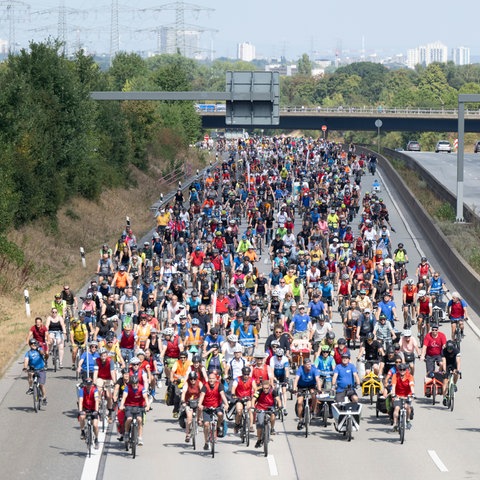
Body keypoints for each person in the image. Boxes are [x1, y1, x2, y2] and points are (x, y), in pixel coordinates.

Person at [198, 372, 230, 451]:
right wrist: (199, 404)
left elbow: (222, 395)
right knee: (206, 424)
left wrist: (226, 404)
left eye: (213, 378)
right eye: (210, 378)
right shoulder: (205, 386)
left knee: (220, 414)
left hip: (217, 406)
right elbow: (202, 395)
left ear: (216, 379)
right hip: (207, 407)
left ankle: (218, 427)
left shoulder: (219, 385)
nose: (211, 380)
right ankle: (206, 442)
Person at [119, 374, 149, 446]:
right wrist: (122, 405)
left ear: (138, 383)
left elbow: (145, 397)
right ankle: (126, 433)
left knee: (139, 420)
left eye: (136, 384)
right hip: (129, 406)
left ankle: (140, 438)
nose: (134, 385)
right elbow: (124, 397)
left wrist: (148, 406)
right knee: (129, 419)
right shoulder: (127, 388)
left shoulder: (142, 388)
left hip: (139, 406)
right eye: (133, 384)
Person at [292, 358, 322, 430]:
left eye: (310, 364)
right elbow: (296, 379)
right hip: (301, 386)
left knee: (314, 395)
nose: (309, 366)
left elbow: (318, 380)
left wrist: (319, 389)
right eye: (307, 364)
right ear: (304, 365)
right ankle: (300, 419)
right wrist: (294, 388)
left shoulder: (314, 369)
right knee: (299, 402)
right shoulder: (300, 369)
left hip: (311, 385)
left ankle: (313, 411)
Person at [252, 380, 282, 448]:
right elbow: (253, 399)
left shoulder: (273, 391)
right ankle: (259, 440)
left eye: (267, 388)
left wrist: (280, 406)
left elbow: (278, 400)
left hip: (270, 407)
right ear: (262, 387)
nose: (265, 390)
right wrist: (253, 407)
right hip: (260, 407)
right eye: (264, 388)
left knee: (273, 415)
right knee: (259, 424)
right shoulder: (259, 391)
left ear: (269, 387)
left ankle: (272, 428)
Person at [93, 348, 117, 422]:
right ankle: (99, 403)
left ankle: (110, 412)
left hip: (108, 378)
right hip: (100, 377)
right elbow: (95, 372)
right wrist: (94, 382)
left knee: (109, 395)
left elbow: (112, 372)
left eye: (104, 355)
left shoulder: (110, 361)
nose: (103, 357)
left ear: (106, 355)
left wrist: (114, 382)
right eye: (102, 356)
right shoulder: (97, 361)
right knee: (99, 388)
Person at [231, 366, 256, 434]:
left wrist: (255, 395)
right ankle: (237, 424)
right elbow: (233, 387)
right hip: (239, 398)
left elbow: (255, 388)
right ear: (242, 373)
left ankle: (250, 426)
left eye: (247, 374)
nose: (246, 376)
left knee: (250, 409)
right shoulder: (237, 379)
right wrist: (233, 394)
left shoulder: (252, 380)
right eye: (245, 374)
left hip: (248, 398)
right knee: (239, 411)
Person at [181, 371, 204, 443]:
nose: (192, 380)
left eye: (194, 379)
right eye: (191, 379)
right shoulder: (187, 383)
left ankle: (199, 419)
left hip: (197, 401)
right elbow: (184, 392)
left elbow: (203, 392)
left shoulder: (199, 383)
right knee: (189, 418)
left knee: (200, 407)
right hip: (188, 402)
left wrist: (203, 401)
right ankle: (187, 434)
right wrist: (183, 401)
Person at [390, 363, 415, 432]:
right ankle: (395, 424)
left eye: (404, 369)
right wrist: (393, 394)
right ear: (398, 370)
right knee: (397, 408)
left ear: (406, 370)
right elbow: (394, 386)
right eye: (400, 369)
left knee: (408, 407)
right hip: (398, 395)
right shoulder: (395, 376)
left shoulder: (409, 376)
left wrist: (413, 393)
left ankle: (408, 420)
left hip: (407, 395)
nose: (402, 371)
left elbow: (411, 385)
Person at [78, 378, 100, 449]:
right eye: (87, 385)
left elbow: (96, 400)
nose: (88, 386)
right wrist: (80, 410)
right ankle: (82, 431)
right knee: (81, 417)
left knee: (95, 425)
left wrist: (96, 411)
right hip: (85, 408)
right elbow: (80, 400)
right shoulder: (82, 390)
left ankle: (96, 439)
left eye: (89, 385)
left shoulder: (95, 390)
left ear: (92, 384)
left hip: (93, 409)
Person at [23, 339, 47, 404]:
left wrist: (39, 350)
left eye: (34, 344)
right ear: (30, 345)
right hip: (33, 369)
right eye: (32, 344)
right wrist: (25, 367)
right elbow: (26, 360)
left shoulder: (39, 349)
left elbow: (43, 353)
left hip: (41, 369)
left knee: (41, 385)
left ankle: (44, 397)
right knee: (29, 374)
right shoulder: (28, 353)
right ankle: (31, 388)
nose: (33, 345)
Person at [269, 347, 290, 415]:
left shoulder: (285, 359)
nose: (279, 358)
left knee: (284, 391)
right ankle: (273, 404)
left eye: (280, 356)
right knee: (274, 389)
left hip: (282, 375)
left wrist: (286, 378)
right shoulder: (272, 359)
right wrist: (273, 378)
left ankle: (285, 407)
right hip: (275, 374)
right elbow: (271, 370)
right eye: (278, 356)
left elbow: (286, 370)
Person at [441, 340, 461, 405]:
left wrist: (457, 370)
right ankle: (444, 397)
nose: (449, 350)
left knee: (456, 374)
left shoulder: (456, 351)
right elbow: (444, 361)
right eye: (448, 349)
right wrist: (444, 370)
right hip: (446, 364)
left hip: (453, 364)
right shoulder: (443, 351)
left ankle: (454, 384)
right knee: (445, 381)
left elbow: (458, 361)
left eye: (451, 349)